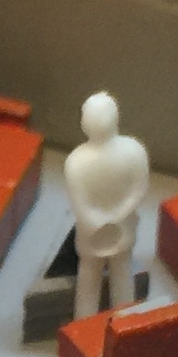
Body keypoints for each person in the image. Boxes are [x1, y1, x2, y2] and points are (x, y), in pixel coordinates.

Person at [63, 91, 149, 321]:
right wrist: (117, 216)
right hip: (111, 230)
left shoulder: (77, 161)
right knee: (115, 277)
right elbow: (138, 190)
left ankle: (89, 327)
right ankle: (121, 325)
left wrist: (102, 220)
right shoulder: (134, 151)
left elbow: (82, 205)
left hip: (96, 232)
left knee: (96, 279)